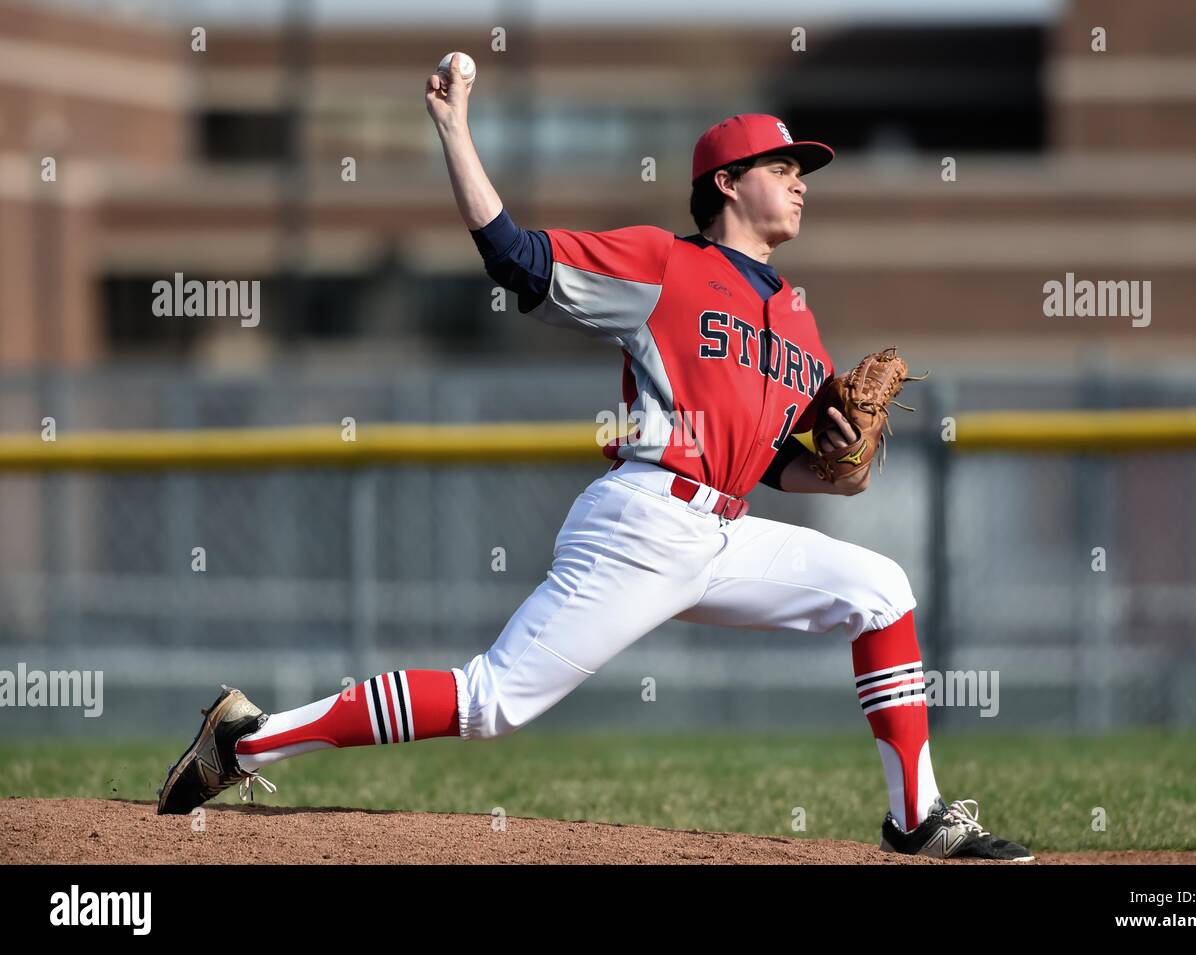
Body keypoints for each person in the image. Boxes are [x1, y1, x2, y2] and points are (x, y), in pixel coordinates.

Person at [156, 56, 1031, 861]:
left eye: (803, 172)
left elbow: (778, 466)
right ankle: (246, 740)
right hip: (645, 521)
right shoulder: (662, 264)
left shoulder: (798, 318)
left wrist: (841, 460)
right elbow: (515, 256)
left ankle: (916, 819)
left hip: (728, 530)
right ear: (727, 182)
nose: (801, 184)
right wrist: (456, 129)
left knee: (880, 589)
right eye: (783, 169)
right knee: (489, 702)